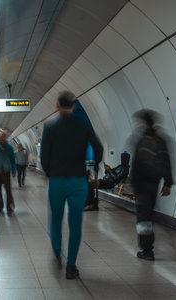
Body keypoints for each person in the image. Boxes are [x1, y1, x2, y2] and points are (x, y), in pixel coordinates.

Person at [41, 91, 103, 279]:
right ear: (74, 106)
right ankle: (71, 266)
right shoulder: (83, 124)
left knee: (56, 221)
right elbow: (98, 148)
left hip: (58, 182)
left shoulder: (50, 126)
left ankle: (57, 253)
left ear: (57, 106)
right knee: (75, 224)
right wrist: (92, 171)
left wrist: (51, 173)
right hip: (78, 181)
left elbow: (44, 156)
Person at [130, 109, 173, 261]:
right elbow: (167, 163)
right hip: (154, 185)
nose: (137, 124)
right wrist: (168, 183)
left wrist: (134, 186)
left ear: (144, 123)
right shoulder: (161, 140)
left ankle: (147, 250)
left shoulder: (142, 140)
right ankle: (147, 247)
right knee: (147, 216)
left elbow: (136, 166)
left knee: (143, 219)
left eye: (139, 121)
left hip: (142, 186)